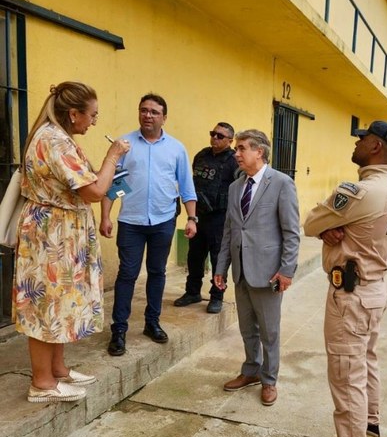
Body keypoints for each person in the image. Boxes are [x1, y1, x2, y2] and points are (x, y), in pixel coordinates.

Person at [303, 120, 387, 437]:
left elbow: (312, 221)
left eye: (363, 138)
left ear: (376, 146)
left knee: (348, 379)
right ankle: (370, 436)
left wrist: (328, 228)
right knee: (366, 367)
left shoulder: (362, 190)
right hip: (373, 290)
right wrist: (335, 228)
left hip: (351, 297)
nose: (358, 142)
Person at [13, 81, 130, 403]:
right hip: (51, 236)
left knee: (59, 304)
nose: (94, 121)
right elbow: (93, 192)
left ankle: (58, 370)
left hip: (60, 232)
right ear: (74, 113)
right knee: (45, 307)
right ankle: (42, 383)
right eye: (92, 115)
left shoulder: (59, 137)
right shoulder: (53, 140)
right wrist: (112, 156)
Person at [100, 93, 197, 356]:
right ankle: (118, 330)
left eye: (154, 111)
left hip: (163, 221)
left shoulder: (176, 148)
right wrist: (106, 216)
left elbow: (186, 187)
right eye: (143, 110)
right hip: (131, 222)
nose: (148, 115)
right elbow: (114, 183)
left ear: (164, 117)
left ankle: (151, 323)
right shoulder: (125, 145)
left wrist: (191, 217)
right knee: (127, 274)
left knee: (157, 273)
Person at [214, 129, 300, 406]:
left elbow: (291, 232)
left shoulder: (282, 183)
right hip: (241, 270)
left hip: (268, 272)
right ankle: (250, 370)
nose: (235, 154)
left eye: (241, 149)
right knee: (246, 328)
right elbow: (230, 230)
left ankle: (269, 379)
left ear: (258, 152)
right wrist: (220, 266)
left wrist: (286, 270)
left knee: (269, 330)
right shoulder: (235, 186)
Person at [174, 122, 238, 314]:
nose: (215, 138)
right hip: (199, 216)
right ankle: (192, 291)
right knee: (194, 256)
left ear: (230, 140)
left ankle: (216, 296)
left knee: (219, 259)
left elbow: (239, 189)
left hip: (220, 218)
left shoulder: (234, 161)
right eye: (213, 134)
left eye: (220, 136)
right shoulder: (202, 155)